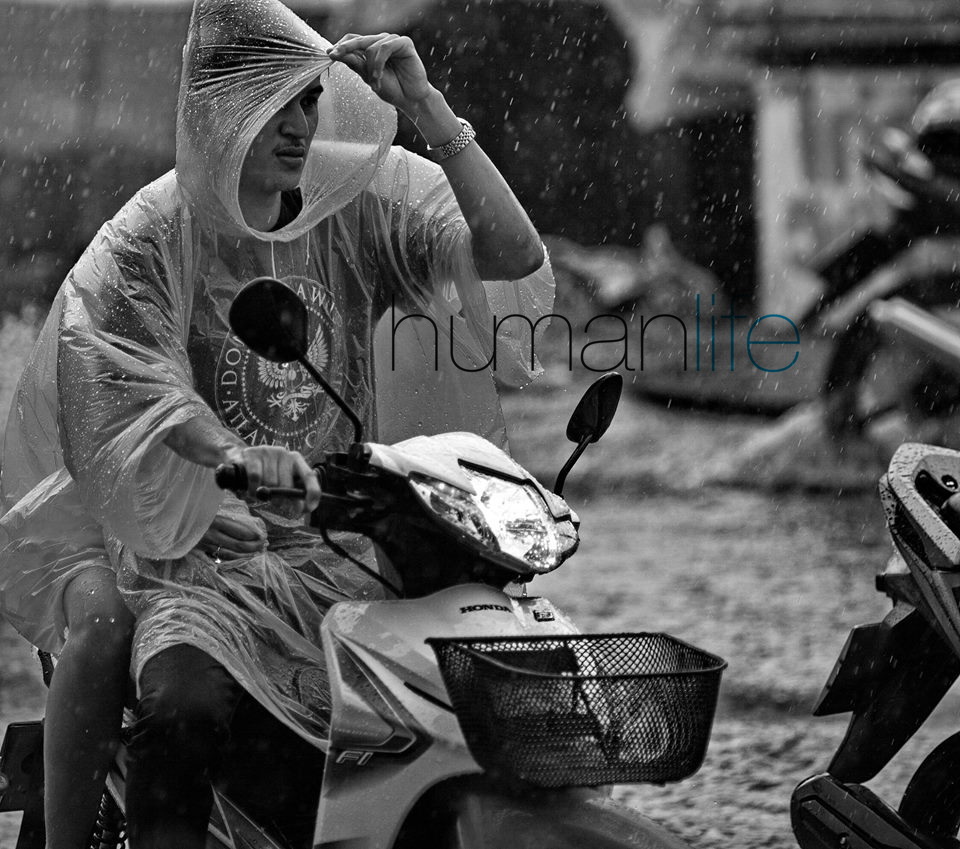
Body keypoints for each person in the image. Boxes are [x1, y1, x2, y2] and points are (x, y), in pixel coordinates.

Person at [0, 0, 554, 846]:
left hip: (335, 548)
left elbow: (511, 254)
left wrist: (428, 106)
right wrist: (231, 456)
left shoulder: (360, 207)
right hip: (195, 556)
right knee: (183, 710)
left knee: (450, 705)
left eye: (308, 100)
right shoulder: (151, 236)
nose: (299, 124)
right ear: (215, 108)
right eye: (275, 102)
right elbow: (135, 382)